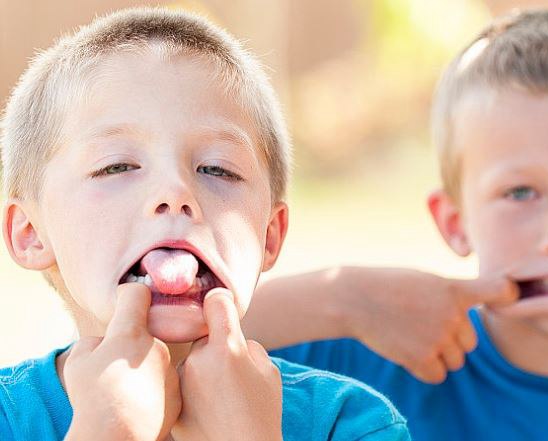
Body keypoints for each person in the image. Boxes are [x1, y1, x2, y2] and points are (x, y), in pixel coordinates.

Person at [248, 9, 548, 440]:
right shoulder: (373, 361)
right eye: (520, 193)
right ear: (455, 223)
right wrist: (345, 299)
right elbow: (183, 338)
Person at [0, 8, 410, 441]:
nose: (176, 193)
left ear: (269, 236)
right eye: (117, 165)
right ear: (30, 233)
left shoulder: (350, 424)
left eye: (217, 169)